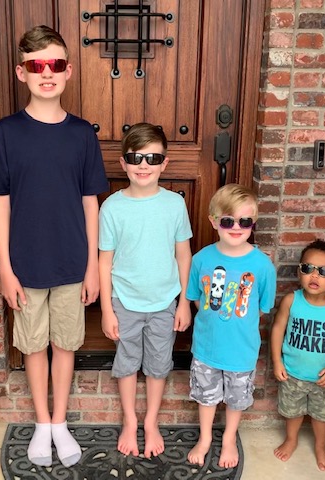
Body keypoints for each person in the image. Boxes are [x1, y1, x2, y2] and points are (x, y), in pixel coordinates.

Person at [0, 25, 108, 468]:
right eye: (36, 65)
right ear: (21, 72)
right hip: (26, 264)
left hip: (73, 262)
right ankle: (39, 423)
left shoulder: (81, 135)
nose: (46, 73)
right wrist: (6, 269)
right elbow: (0, 204)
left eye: (55, 64)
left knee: (66, 344)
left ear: (68, 71)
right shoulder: (6, 133)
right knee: (33, 345)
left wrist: (92, 266)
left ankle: (59, 423)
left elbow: (91, 203)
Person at [98, 123, 193, 459]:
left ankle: (150, 421)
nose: (143, 165)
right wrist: (107, 310)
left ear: (164, 163)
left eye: (153, 157)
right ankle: (129, 420)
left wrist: (184, 303)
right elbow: (104, 260)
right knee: (126, 363)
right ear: (123, 163)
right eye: (135, 157)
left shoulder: (174, 205)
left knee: (158, 363)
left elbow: (184, 254)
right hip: (125, 301)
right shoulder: (111, 207)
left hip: (165, 300)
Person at [185, 184, 277, 469]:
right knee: (207, 397)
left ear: (253, 223)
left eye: (244, 222)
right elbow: (196, 299)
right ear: (214, 221)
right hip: (207, 347)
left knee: (236, 400)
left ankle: (228, 438)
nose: (236, 228)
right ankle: (204, 439)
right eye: (227, 221)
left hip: (242, 350)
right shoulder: (201, 259)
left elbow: (260, 309)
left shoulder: (262, 266)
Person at [270, 239, 325, 471]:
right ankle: (291, 439)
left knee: (322, 416)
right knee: (293, 411)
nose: (314, 276)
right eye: (308, 269)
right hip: (293, 373)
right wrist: (277, 361)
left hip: (324, 377)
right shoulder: (292, 301)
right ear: (300, 271)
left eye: (324, 271)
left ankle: (320, 446)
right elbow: (277, 329)